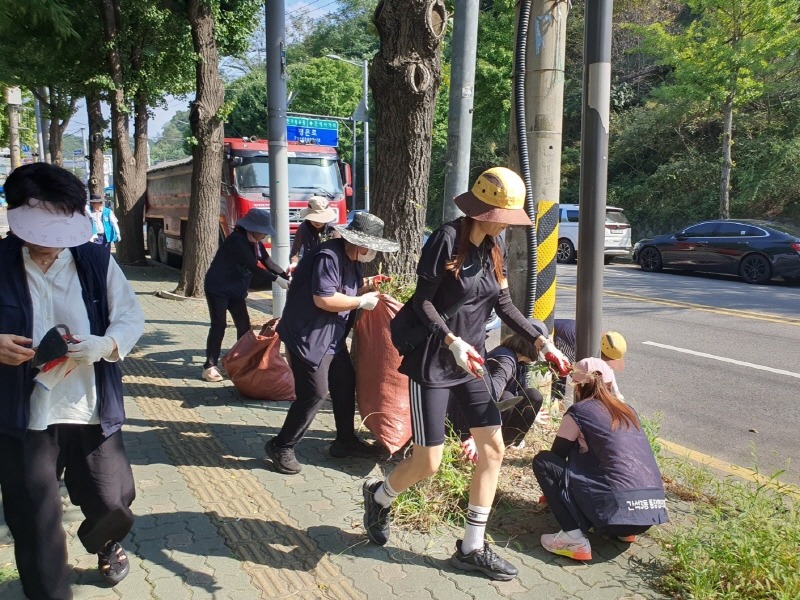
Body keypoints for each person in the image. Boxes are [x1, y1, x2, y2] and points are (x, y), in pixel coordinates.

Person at [360, 167, 571, 581]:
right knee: (428, 463)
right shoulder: (446, 239)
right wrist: (451, 341)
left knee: (493, 449)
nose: (506, 223)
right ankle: (380, 496)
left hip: (471, 363)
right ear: (482, 210)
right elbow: (422, 302)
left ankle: (471, 546)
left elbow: (506, 306)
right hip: (434, 362)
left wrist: (542, 343)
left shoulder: (493, 249)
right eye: (501, 215)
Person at [0, 163, 145, 598]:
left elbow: (130, 317)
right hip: (24, 414)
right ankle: (46, 589)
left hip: (89, 405)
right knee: (32, 513)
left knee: (112, 498)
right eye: (39, 236)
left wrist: (103, 345)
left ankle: (104, 540)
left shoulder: (95, 260)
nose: (49, 247)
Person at [265, 212, 398, 474]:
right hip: (308, 335)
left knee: (345, 383)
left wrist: (367, 285)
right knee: (314, 393)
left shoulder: (351, 259)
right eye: (371, 247)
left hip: (331, 336)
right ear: (359, 243)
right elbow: (324, 299)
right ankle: (282, 445)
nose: (372, 252)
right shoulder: (328, 256)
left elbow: (346, 287)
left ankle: (345, 441)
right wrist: (361, 302)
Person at [532, 357, 668, 561]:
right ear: (610, 383)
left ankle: (573, 538)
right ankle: (623, 533)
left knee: (543, 461)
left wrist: (553, 497)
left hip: (617, 513)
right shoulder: (628, 411)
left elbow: (555, 457)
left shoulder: (580, 411)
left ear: (578, 387)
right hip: (648, 514)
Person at [202, 208, 290, 382]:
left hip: (236, 289)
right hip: (218, 288)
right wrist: (277, 280)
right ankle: (209, 366)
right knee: (219, 325)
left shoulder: (255, 243)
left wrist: (286, 277)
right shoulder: (237, 240)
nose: (265, 236)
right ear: (253, 229)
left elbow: (268, 262)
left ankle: (237, 362)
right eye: (263, 232)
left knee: (244, 327)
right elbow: (253, 267)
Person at [448, 324, 551, 462]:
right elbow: (490, 395)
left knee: (532, 396)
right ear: (533, 346)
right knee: (507, 397)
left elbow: (523, 392)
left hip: (479, 414)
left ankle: (508, 441)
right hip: (468, 418)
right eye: (542, 346)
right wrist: (476, 435)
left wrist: (532, 412)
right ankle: (484, 442)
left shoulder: (518, 360)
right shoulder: (505, 361)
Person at [551, 319, 627, 400]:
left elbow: (607, 369)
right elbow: (576, 372)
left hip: (566, 334)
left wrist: (616, 393)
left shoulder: (600, 341)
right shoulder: (580, 345)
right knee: (561, 376)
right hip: (556, 339)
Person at [289, 195, 339, 270]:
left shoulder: (333, 230)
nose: (317, 222)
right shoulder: (303, 227)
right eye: (314, 218)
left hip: (329, 267)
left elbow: (339, 253)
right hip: (309, 266)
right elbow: (295, 251)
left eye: (320, 218)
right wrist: (294, 263)